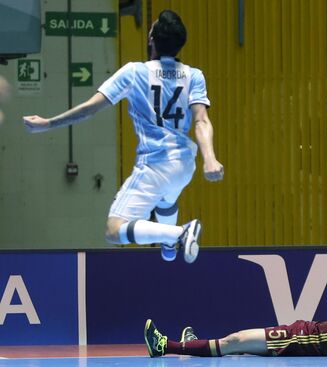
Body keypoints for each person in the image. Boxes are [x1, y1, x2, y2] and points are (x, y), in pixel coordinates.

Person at [22, 10, 224, 262]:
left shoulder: (134, 72)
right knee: (165, 199)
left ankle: (179, 233)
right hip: (184, 164)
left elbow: (90, 108)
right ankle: (169, 243)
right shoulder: (194, 75)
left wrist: (48, 123)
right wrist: (210, 159)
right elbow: (201, 119)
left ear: (151, 38)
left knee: (114, 230)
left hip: (155, 164)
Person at [144, 305, 327, 357]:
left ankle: (166, 346)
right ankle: (194, 346)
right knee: (237, 345)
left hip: (300, 341)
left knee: (235, 341)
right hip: (304, 332)